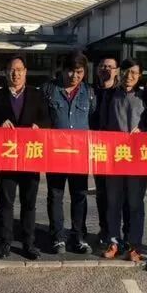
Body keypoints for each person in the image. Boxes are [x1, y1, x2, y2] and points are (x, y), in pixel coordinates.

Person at [0, 54, 50, 260]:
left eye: (19, 70)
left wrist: (39, 126)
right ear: (6, 73)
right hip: (6, 157)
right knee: (6, 202)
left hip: (30, 157)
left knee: (29, 202)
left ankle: (28, 243)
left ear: (25, 72)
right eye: (12, 70)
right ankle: (5, 241)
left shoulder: (37, 95)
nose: (16, 74)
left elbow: (47, 119)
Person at [101, 59, 147, 262]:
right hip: (114, 158)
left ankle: (134, 245)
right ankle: (113, 242)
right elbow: (102, 125)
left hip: (137, 159)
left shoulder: (146, 96)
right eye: (126, 71)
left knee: (135, 204)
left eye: (134, 72)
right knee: (113, 202)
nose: (129, 76)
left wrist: (143, 131)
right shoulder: (110, 95)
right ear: (120, 72)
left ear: (140, 75)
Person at [41, 51, 97, 255]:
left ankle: (79, 237)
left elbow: (93, 117)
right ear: (63, 70)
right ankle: (57, 237)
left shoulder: (89, 92)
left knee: (79, 195)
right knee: (55, 195)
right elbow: (41, 116)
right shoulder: (49, 89)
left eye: (79, 72)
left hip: (79, 154)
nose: (75, 76)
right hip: (55, 153)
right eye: (71, 71)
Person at [90, 56, 125, 247]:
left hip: (117, 151)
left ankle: (115, 233)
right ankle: (104, 230)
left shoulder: (120, 93)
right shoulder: (90, 91)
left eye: (110, 67)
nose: (106, 69)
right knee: (101, 193)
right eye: (102, 66)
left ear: (117, 71)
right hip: (97, 149)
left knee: (115, 195)